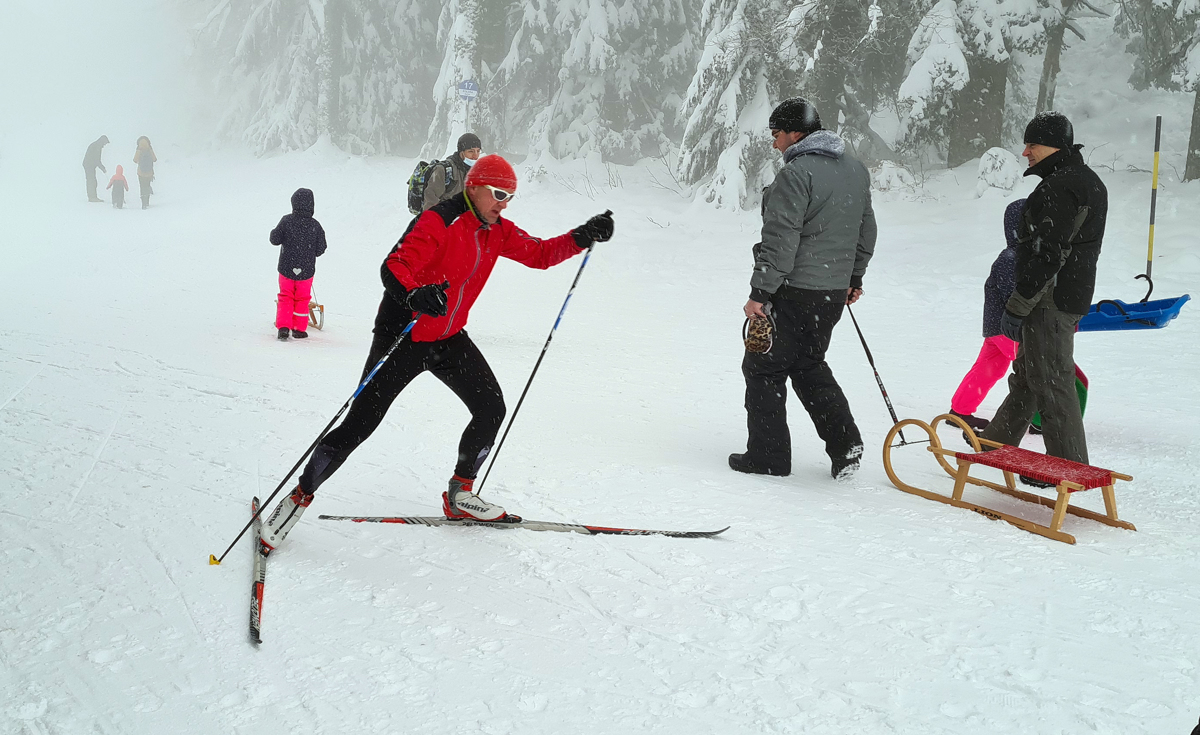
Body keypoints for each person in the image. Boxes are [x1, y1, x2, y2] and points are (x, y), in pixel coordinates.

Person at [260, 155, 615, 550]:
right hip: (404, 335)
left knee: (491, 407)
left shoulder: (496, 230)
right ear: (475, 188)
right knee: (360, 424)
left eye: (511, 196)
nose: (504, 203)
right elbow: (393, 266)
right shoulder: (439, 221)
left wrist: (583, 235)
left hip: (448, 337)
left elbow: (540, 254)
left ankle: (460, 495)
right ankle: (298, 497)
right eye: (499, 194)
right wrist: (414, 293)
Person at [729, 97, 877, 481]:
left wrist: (760, 293)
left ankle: (768, 456)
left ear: (795, 132)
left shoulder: (796, 174)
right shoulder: (856, 170)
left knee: (763, 368)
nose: (775, 143)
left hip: (794, 290)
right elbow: (866, 232)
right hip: (830, 295)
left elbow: (780, 240)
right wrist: (853, 278)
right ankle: (846, 445)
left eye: (776, 134)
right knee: (808, 365)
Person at [979, 111, 1107, 481]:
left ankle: (1068, 470)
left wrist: (1018, 304)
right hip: (1063, 296)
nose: (1025, 152)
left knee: (1052, 381)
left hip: (1049, 300)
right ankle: (995, 445)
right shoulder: (1083, 181)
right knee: (1029, 376)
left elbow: (1049, 254)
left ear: (1051, 144)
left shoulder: (1061, 186)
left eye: (1031, 144)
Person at [949, 199, 1025, 432]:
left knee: (988, 369)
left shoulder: (1015, 256)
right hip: (1009, 327)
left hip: (997, 327)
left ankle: (960, 411)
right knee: (1034, 368)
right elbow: (1016, 297)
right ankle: (1042, 418)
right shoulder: (1011, 258)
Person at [270, 188, 328, 341]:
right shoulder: (315, 225)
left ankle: (283, 327)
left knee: (285, 296)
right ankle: (299, 329)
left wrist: (275, 233)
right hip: (307, 270)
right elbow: (321, 248)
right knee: (302, 298)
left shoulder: (286, 221)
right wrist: (310, 253)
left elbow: (275, 239)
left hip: (286, 267)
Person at [422, 133, 482, 211]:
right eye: (471, 151)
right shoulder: (443, 170)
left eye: (478, 151)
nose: (475, 156)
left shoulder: (475, 172)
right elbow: (430, 202)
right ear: (461, 152)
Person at [82, 135, 109, 202]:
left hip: (89, 165)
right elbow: (97, 160)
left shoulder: (96, 145)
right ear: (103, 141)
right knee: (91, 181)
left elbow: (96, 160)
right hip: (89, 165)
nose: (105, 145)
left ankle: (93, 196)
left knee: (92, 180)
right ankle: (92, 197)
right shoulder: (97, 146)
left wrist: (102, 167)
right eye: (105, 143)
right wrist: (102, 168)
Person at [133, 136, 156, 209]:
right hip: (149, 172)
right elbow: (154, 159)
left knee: (142, 187)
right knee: (147, 186)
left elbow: (135, 160)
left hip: (141, 173)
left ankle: (143, 203)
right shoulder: (149, 148)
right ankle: (147, 202)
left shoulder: (139, 149)